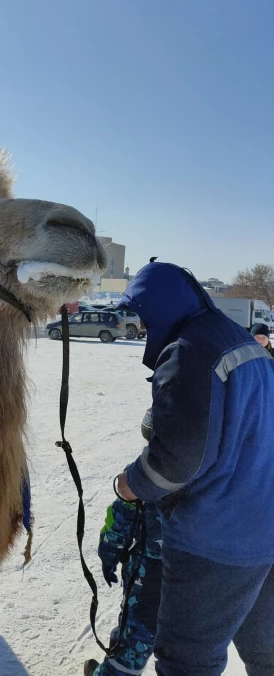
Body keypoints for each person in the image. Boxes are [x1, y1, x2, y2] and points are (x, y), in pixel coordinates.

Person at [114, 261, 274, 676]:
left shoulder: (189, 351)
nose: (146, 329)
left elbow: (177, 459)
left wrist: (129, 484)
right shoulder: (245, 342)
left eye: (146, 318)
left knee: (187, 661)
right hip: (265, 532)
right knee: (266, 655)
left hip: (216, 541)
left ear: (161, 307)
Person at [85, 409, 163, 676]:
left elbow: (119, 520)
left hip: (150, 579)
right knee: (190, 651)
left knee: (132, 646)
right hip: (202, 575)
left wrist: (108, 554)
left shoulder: (144, 476)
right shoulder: (213, 469)